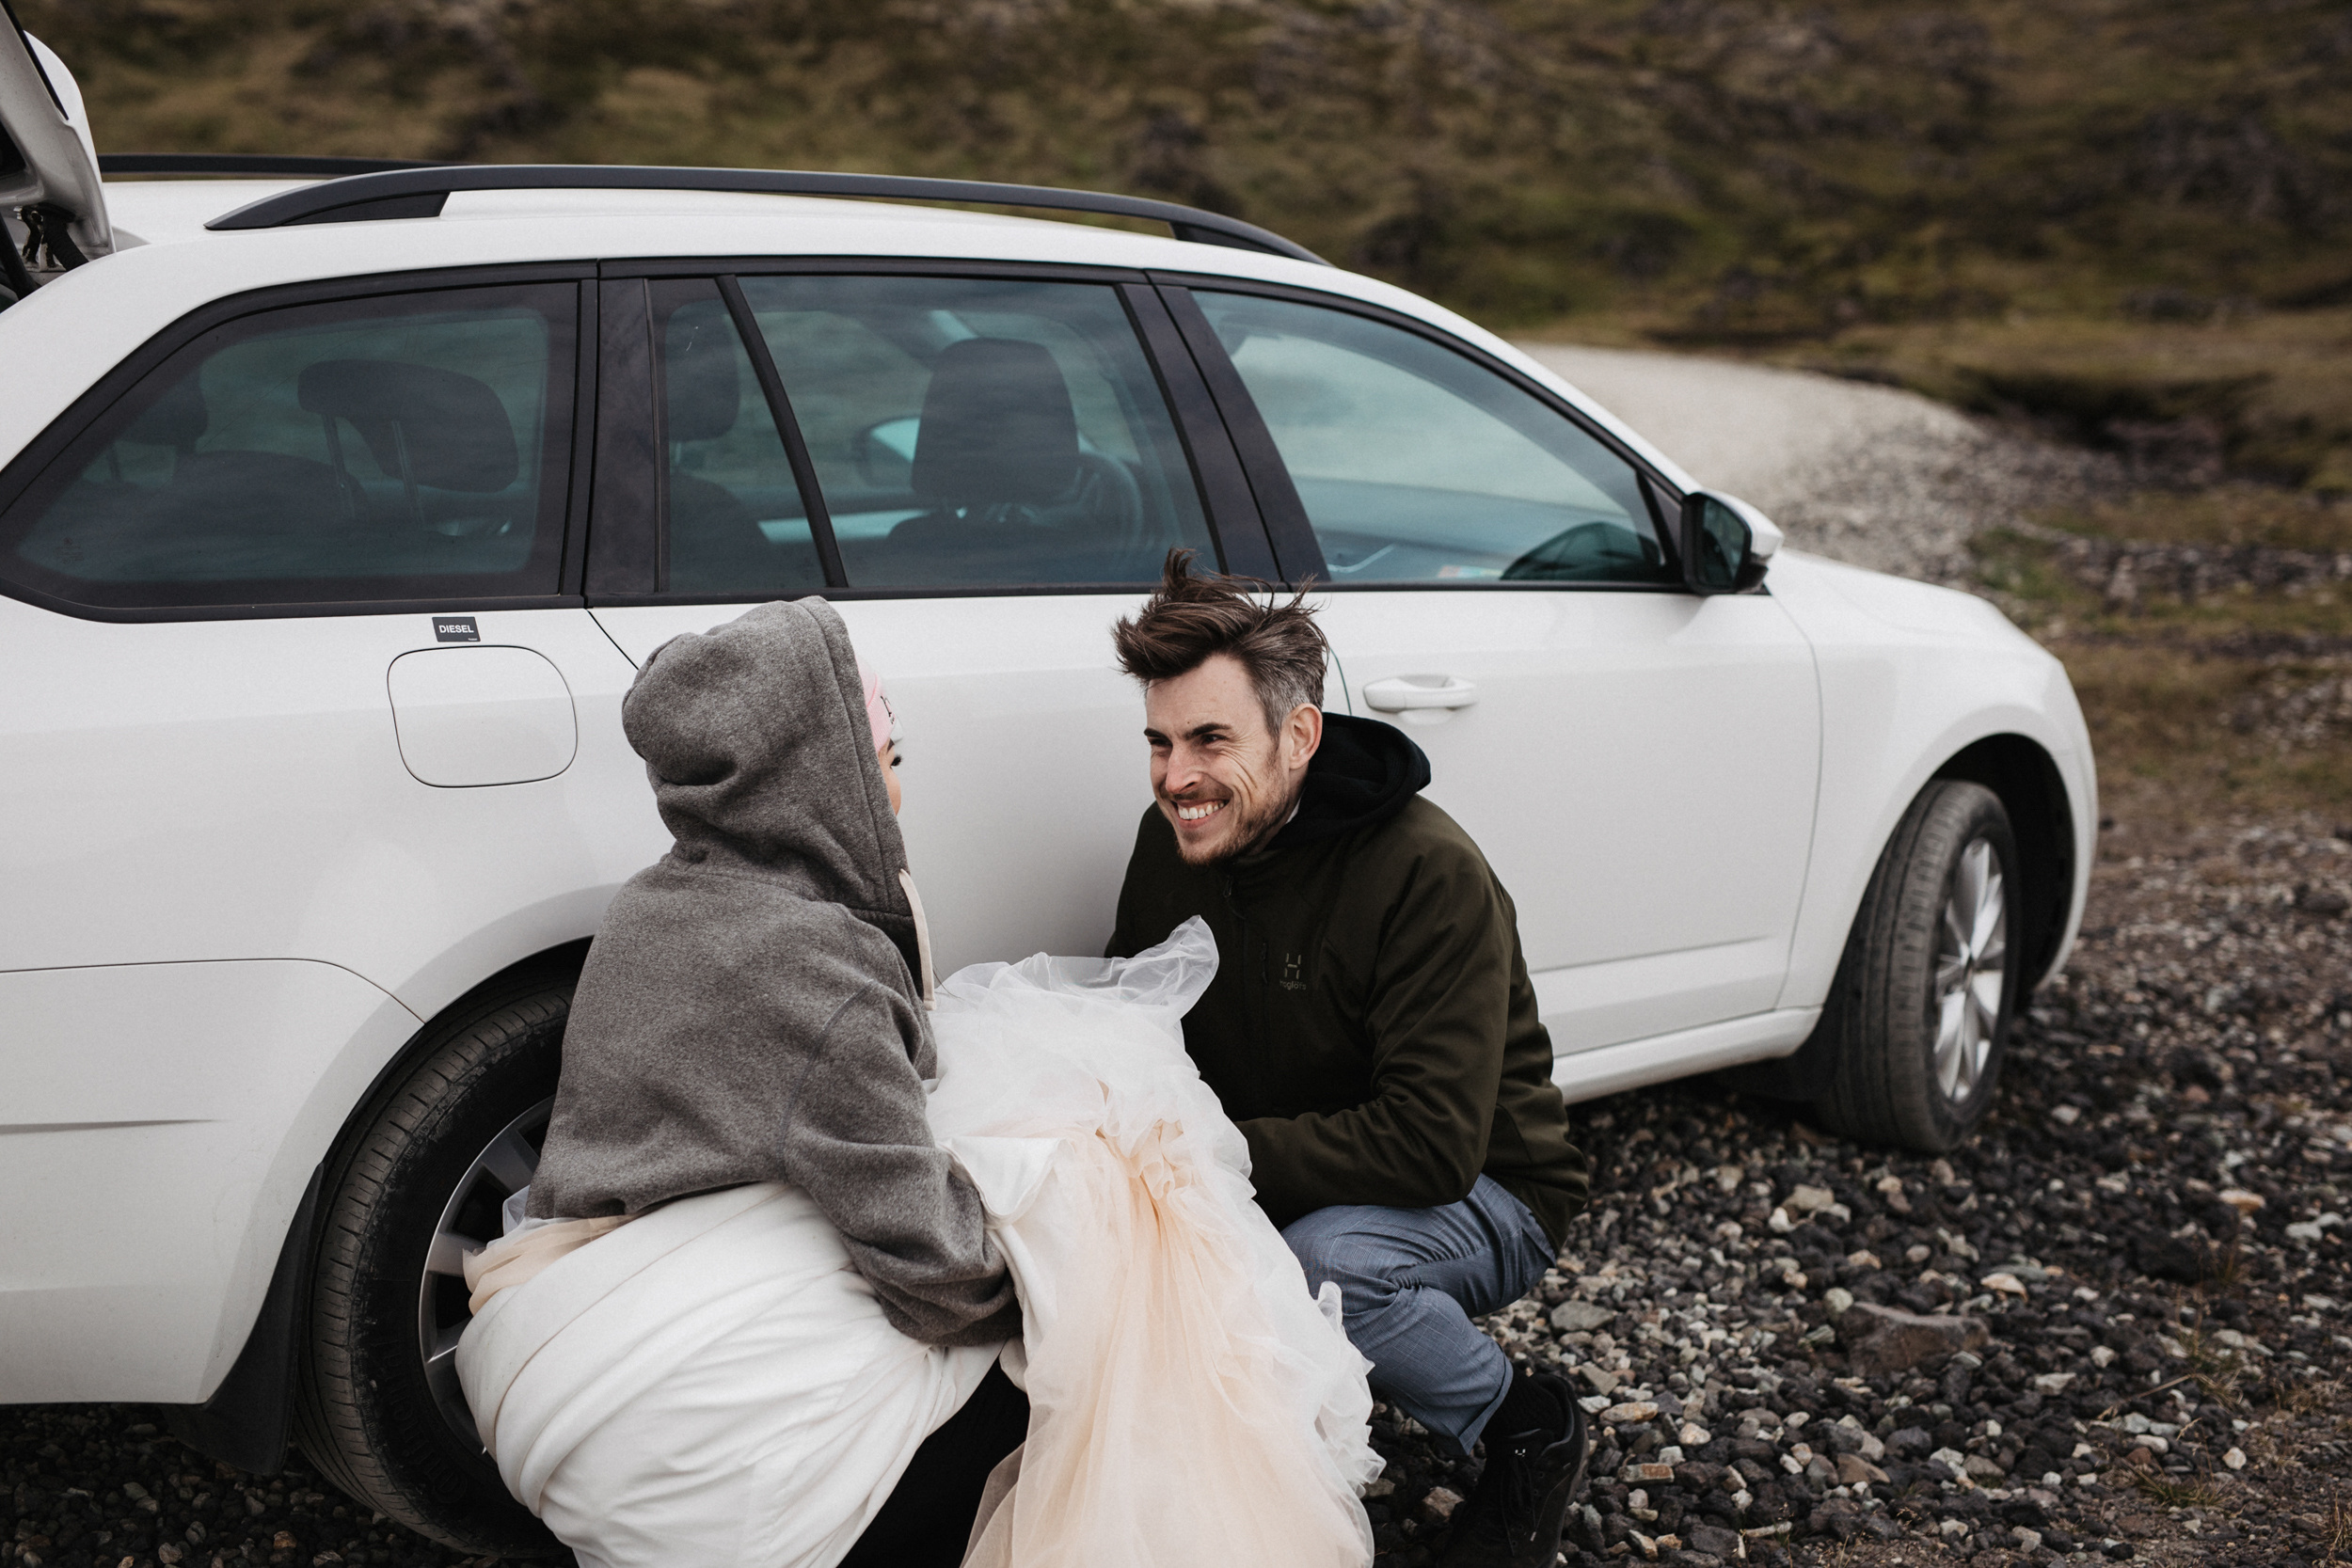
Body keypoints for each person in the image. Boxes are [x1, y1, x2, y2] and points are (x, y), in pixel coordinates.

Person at [456, 597, 1023, 1567]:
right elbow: (931, 1274)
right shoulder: (817, 963)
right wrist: (1058, 1272)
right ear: (821, 777)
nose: (893, 791)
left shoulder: (647, 907)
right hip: (689, 1450)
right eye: (884, 761)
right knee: (1047, 1359)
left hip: (546, 1391)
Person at [1104, 551, 1597, 1568]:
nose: (1174, 776)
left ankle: (1522, 1427)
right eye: (1157, 742)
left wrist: (1209, 1153)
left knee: (1326, 1264)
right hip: (1283, 1163)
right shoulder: (1172, 843)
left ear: (1298, 735)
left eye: (1207, 739)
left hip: (1487, 1188)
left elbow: (1429, 1146)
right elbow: (1131, 1029)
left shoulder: (1424, 870)